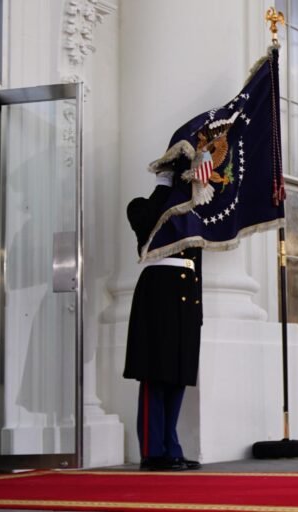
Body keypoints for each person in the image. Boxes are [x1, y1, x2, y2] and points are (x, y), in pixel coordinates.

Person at [123, 170, 203, 471]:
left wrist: (199, 311)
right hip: (158, 292)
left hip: (186, 296)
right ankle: (153, 450)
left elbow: (197, 265)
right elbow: (148, 224)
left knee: (178, 375)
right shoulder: (142, 206)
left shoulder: (192, 216)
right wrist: (162, 186)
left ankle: (172, 447)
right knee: (156, 375)